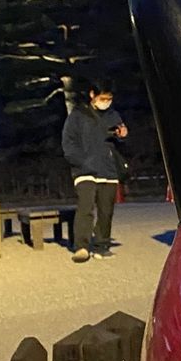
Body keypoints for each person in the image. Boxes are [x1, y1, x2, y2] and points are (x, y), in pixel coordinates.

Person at [62, 82, 128, 263]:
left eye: (109, 99)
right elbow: (68, 142)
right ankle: (81, 246)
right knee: (86, 207)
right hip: (84, 169)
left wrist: (122, 136)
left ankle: (102, 246)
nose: (106, 102)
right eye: (103, 98)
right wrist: (80, 161)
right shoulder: (78, 115)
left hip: (108, 168)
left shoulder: (113, 115)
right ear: (92, 94)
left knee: (106, 210)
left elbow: (120, 145)